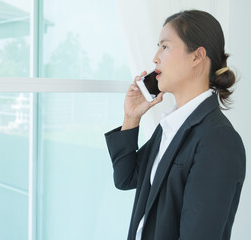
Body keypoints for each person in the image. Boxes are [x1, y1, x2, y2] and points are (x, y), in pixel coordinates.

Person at [105, 10, 246, 240]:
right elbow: (126, 178)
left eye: (165, 46)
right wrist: (131, 118)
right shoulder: (169, 128)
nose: (155, 58)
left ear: (197, 56)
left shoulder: (218, 139)